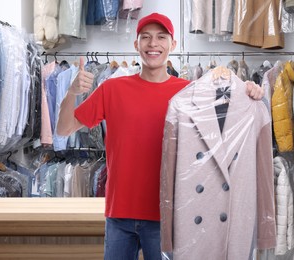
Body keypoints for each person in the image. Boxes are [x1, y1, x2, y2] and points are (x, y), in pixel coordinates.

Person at [56, 12, 264, 260]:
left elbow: (228, 124)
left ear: (172, 45)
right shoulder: (112, 88)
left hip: (168, 216)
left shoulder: (190, 92)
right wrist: (71, 93)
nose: (153, 44)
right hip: (119, 215)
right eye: (146, 37)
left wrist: (249, 91)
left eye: (161, 37)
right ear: (136, 45)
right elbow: (64, 129)